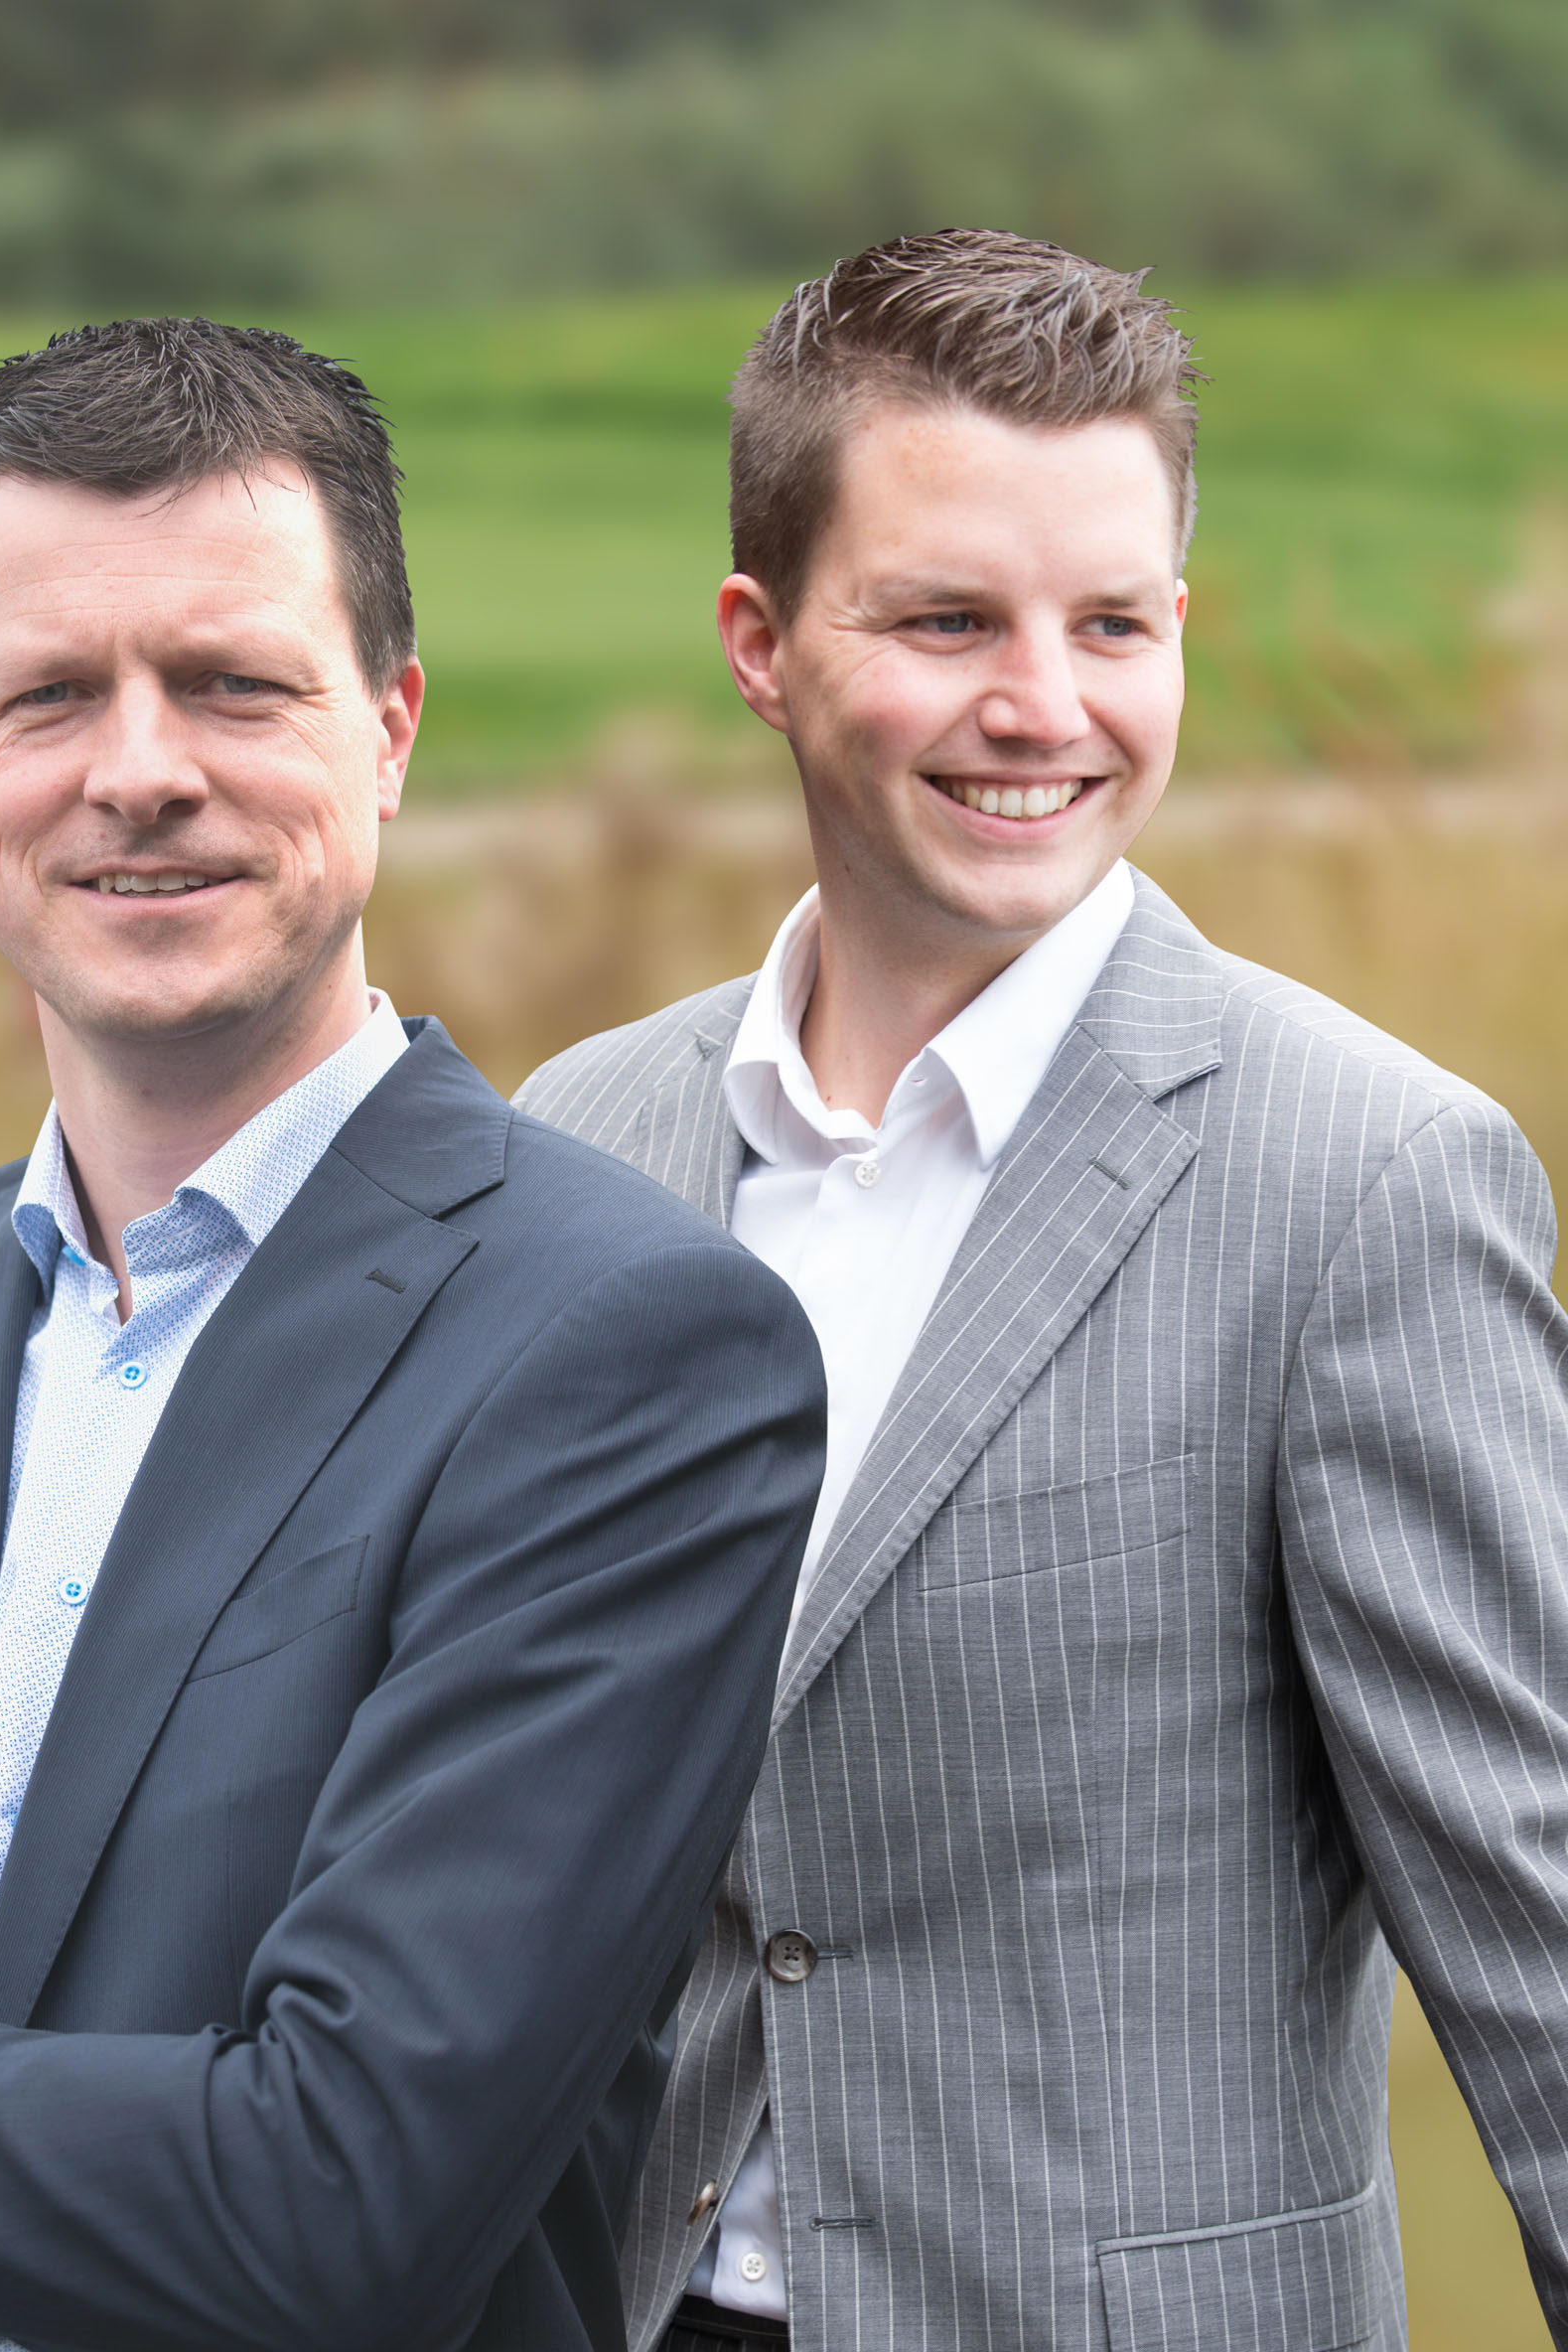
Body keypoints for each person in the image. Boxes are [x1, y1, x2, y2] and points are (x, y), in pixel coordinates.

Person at [0, 318, 827, 2352]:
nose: (140, 770)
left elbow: (344, 2192)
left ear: (391, 727)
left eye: (234, 684)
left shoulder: (632, 1358)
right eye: (51, 692)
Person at [517, 228, 1568, 2352]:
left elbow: (1537, 1921)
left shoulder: (1364, 1179)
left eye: (1111, 624)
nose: (1043, 706)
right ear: (759, 642)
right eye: (946, 621)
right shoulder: (582, 1141)